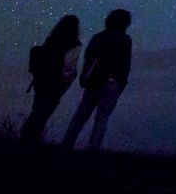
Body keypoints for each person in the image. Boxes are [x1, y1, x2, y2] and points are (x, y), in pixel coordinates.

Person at [61, 8, 132, 150]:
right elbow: (125, 63)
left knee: (81, 115)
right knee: (102, 117)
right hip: (113, 82)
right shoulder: (125, 39)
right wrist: (122, 83)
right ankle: (93, 148)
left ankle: (67, 144)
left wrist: (84, 76)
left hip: (95, 81)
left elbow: (89, 58)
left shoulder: (99, 37)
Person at [20, 15, 81, 143]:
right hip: (55, 83)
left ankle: (25, 139)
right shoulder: (74, 44)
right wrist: (67, 82)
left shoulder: (51, 39)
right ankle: (32, 141)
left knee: (37, 110)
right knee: (44, 113)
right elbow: (69, 66)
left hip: (41, 80)